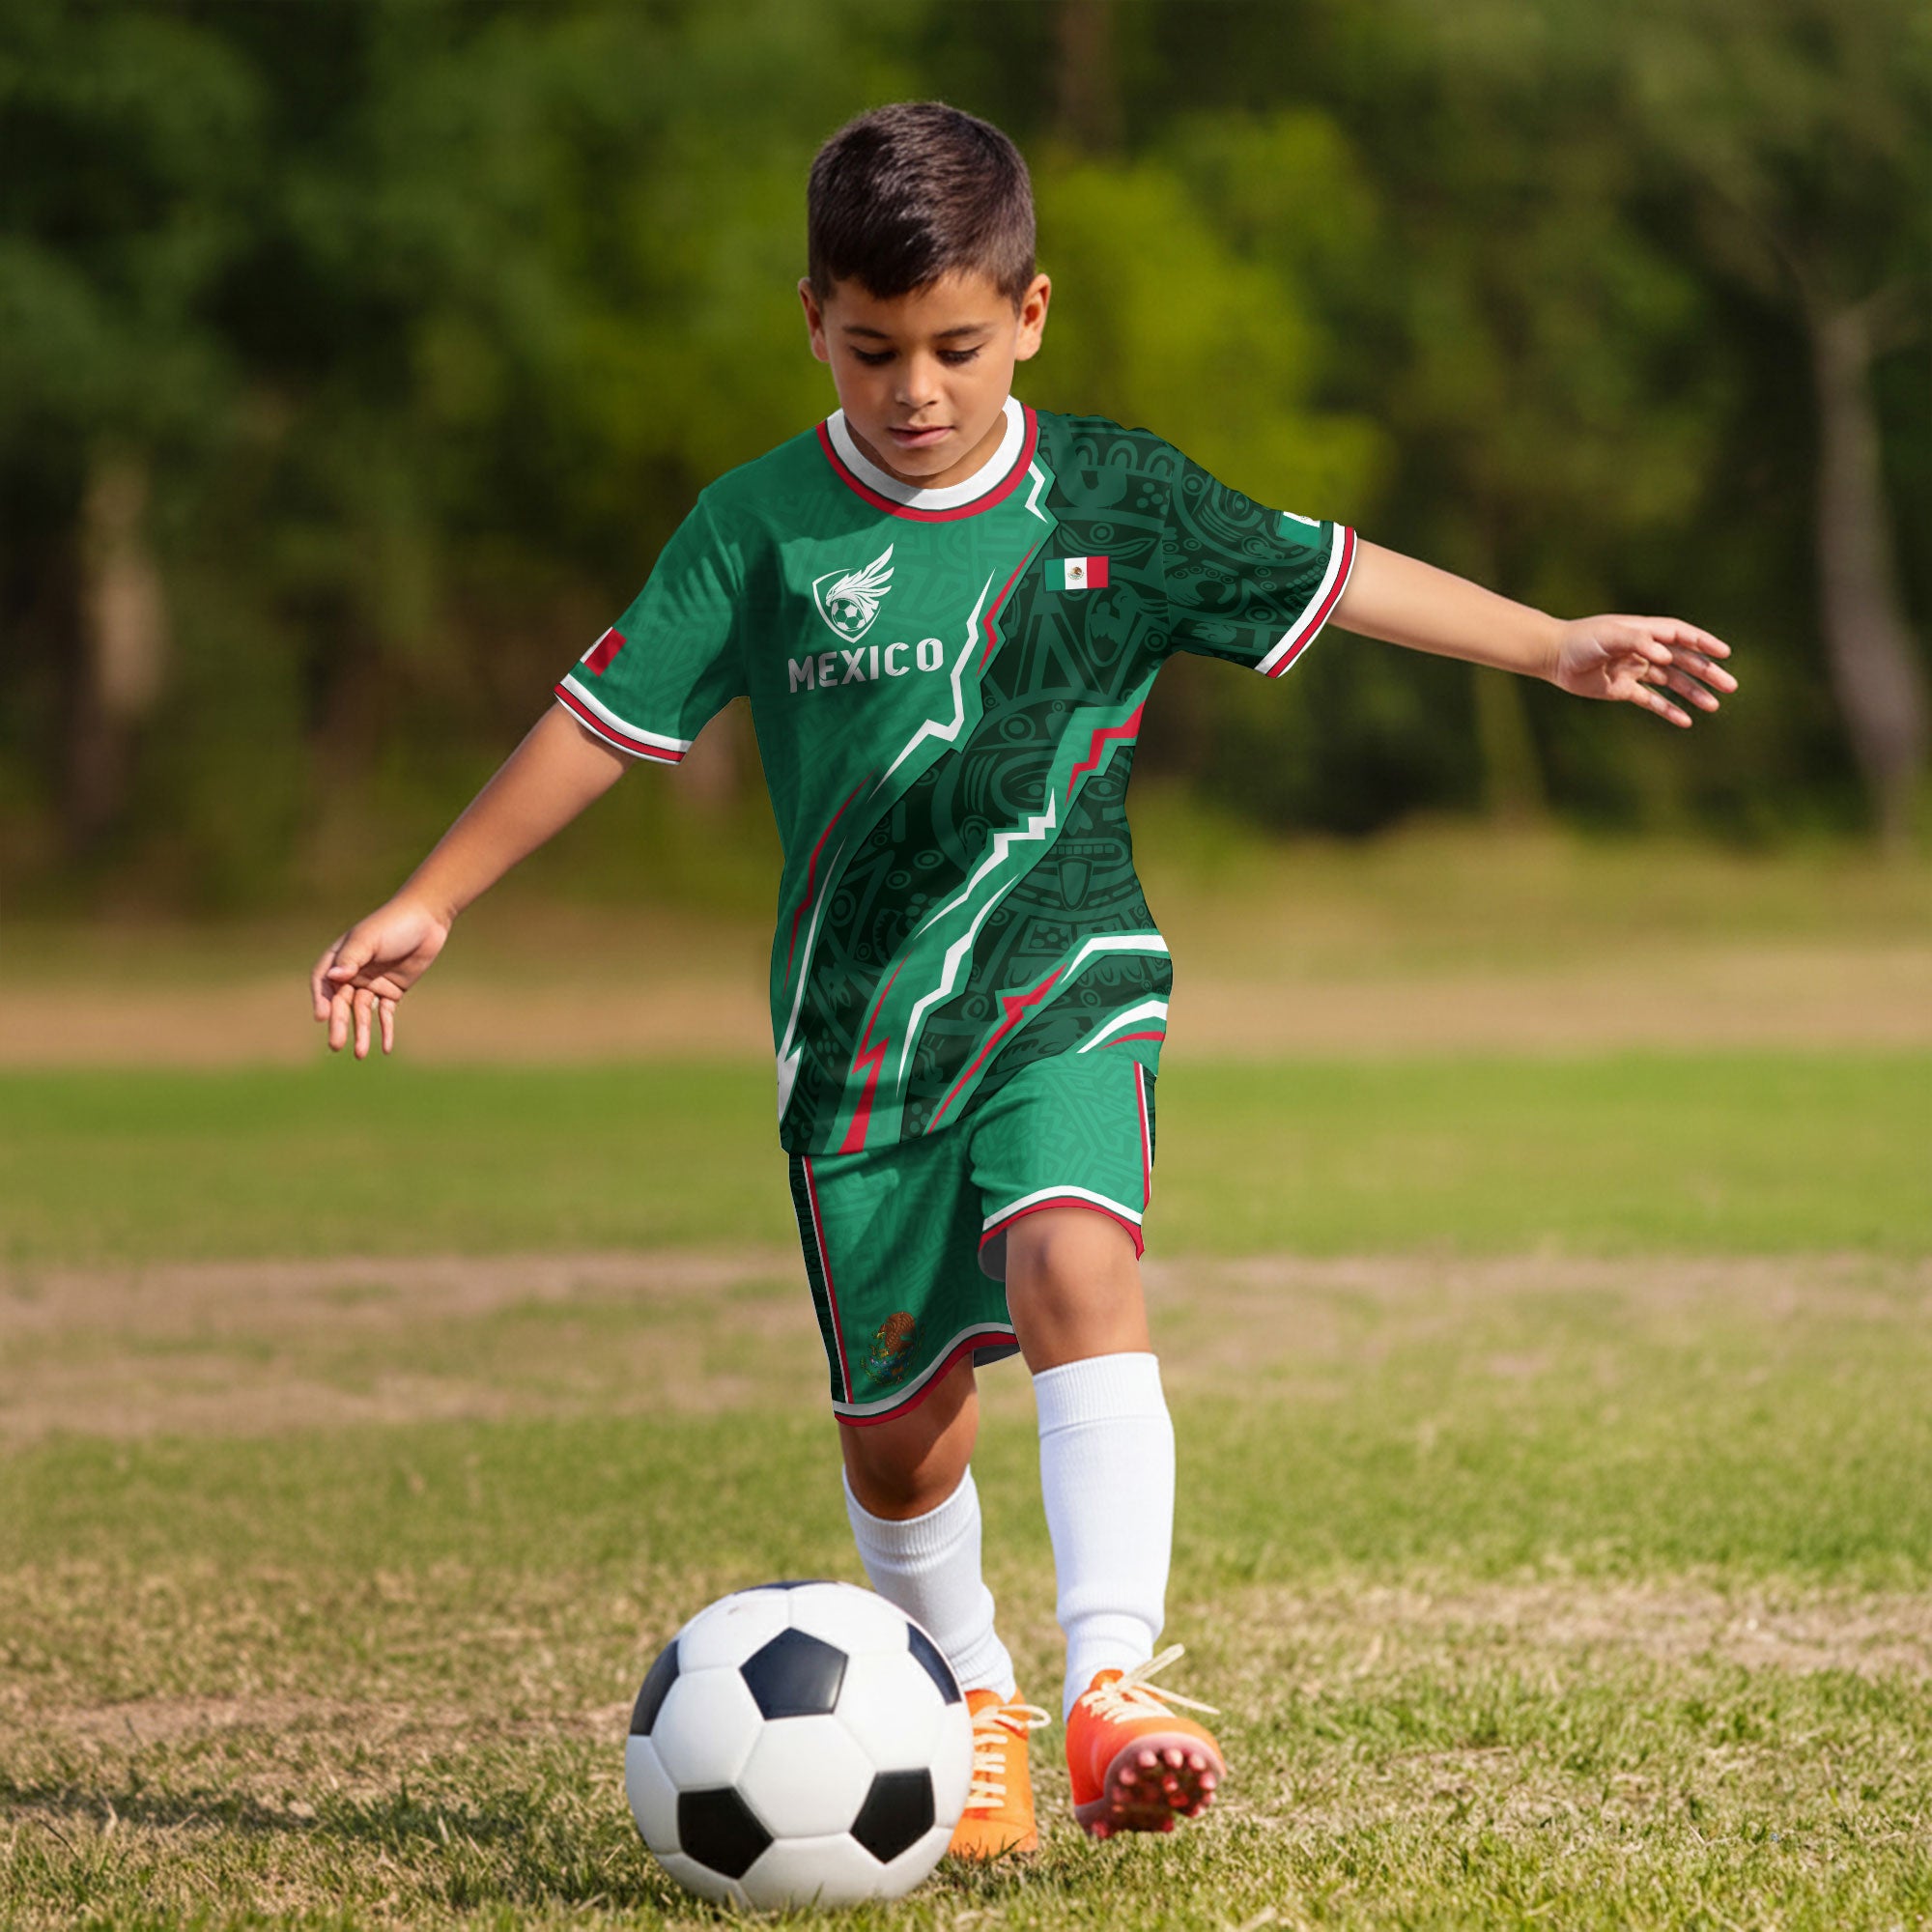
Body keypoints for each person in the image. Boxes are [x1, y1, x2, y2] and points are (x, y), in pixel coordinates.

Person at [310, 101, 1735, 1859]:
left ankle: (1113, 1685)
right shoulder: (758, 528)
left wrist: (1553, 643)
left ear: (1031, 316)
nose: (917, 390)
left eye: (957, 348)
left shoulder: (1119, 497)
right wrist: (432, 895)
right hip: (857, 1041)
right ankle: (972, 1697)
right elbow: (607, 722)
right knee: (904, 1437)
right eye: (873, 350)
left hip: (1071, 974)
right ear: (813, 323)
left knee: (1078, 1261)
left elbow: (1332, 571)